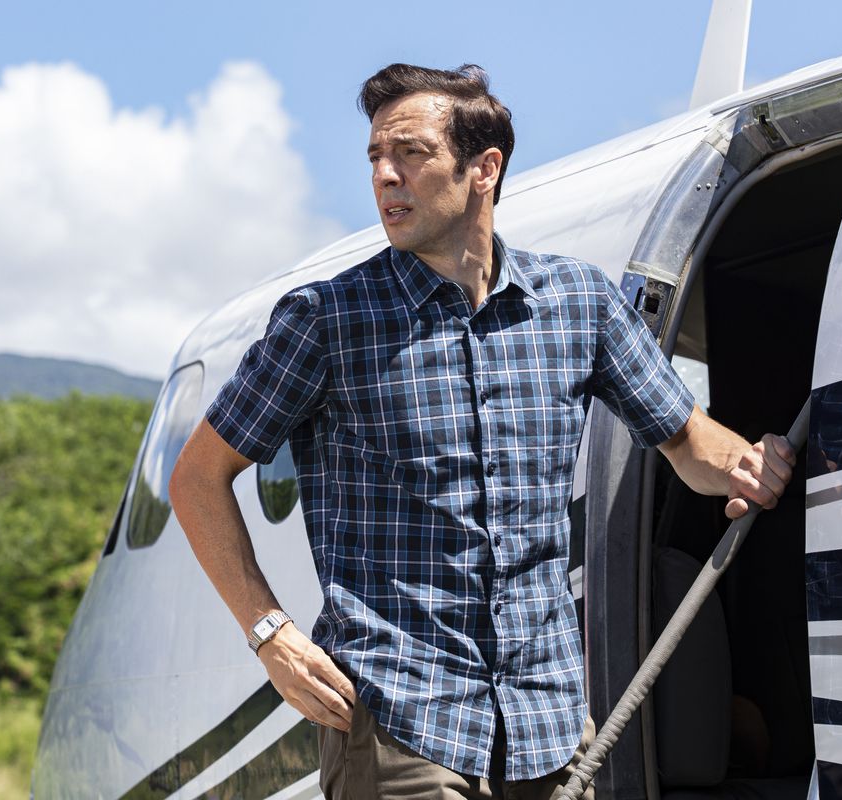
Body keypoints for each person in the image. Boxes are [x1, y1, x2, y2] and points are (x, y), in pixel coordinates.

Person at [169, 63, 795, 799]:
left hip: (549, 723)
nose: (384, 176)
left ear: (484, 168)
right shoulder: (327, 320)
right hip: (401, 720)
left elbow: (691, 446)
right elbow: (197, 478)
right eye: (374, 157)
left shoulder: (578, 304)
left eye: (410, 153)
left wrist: (752, 464)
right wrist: (269, 633)